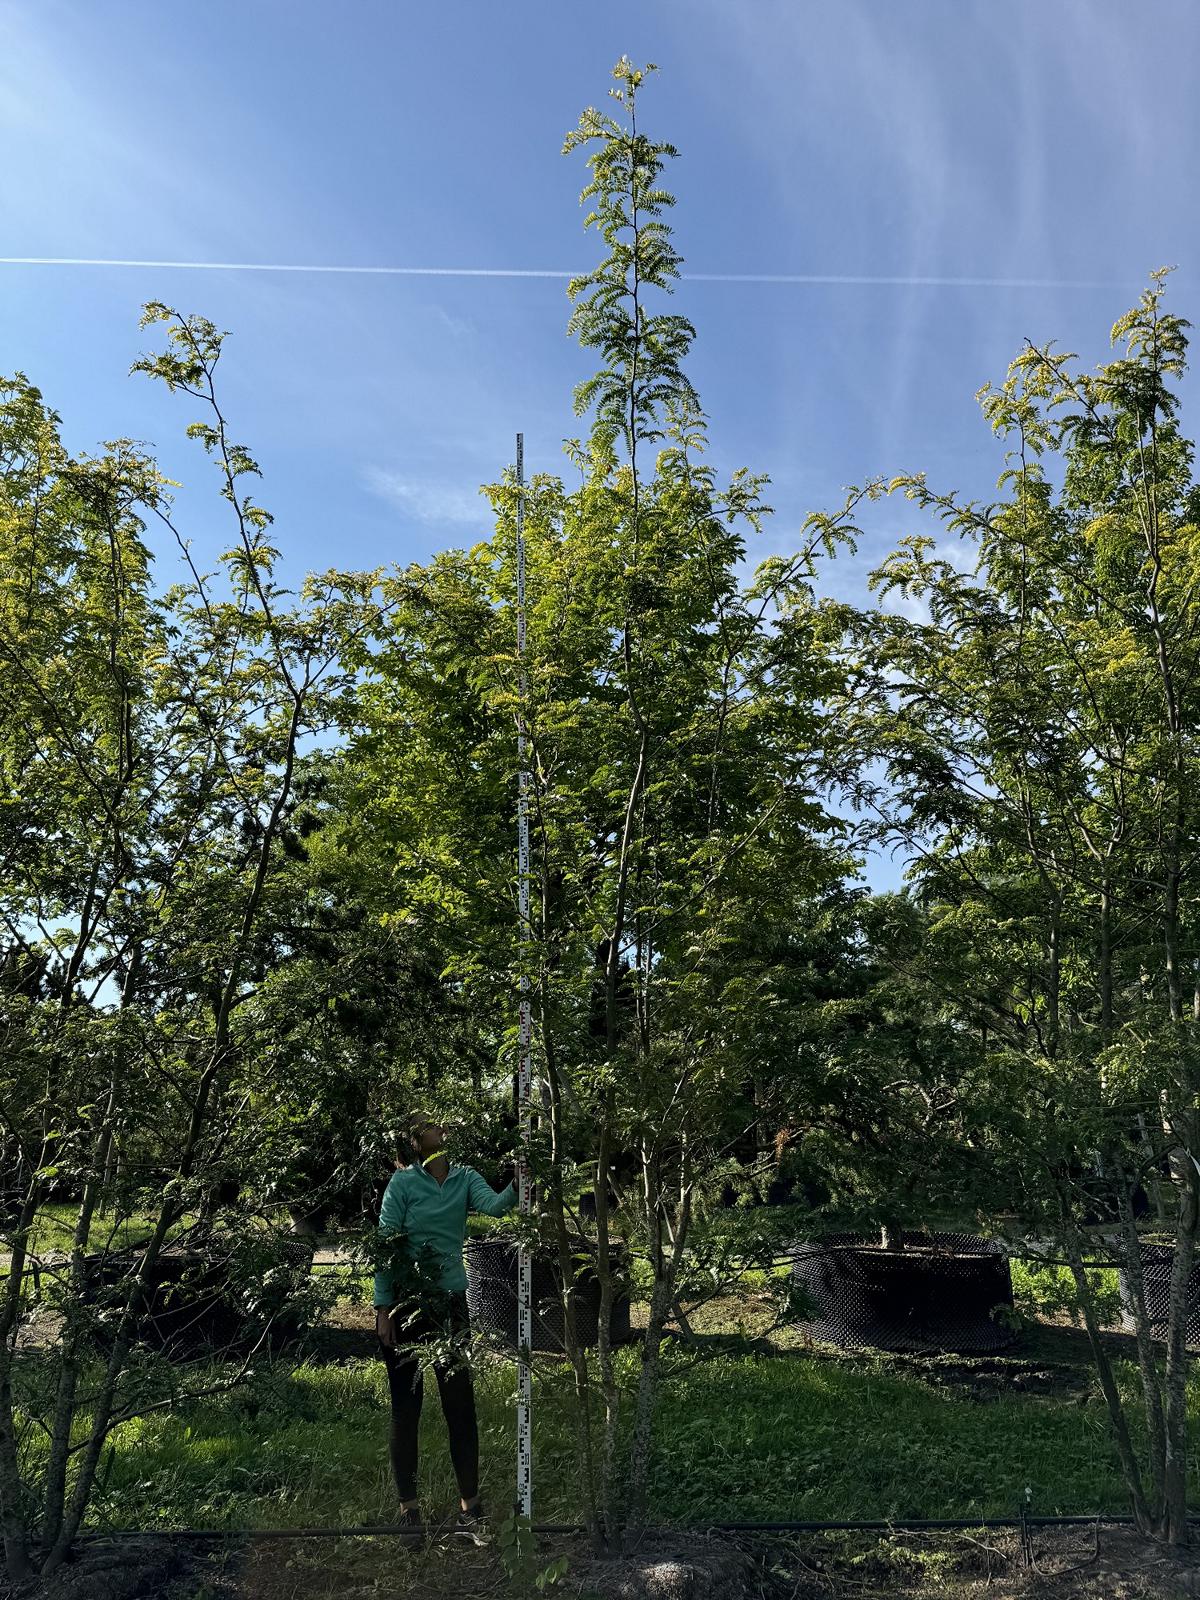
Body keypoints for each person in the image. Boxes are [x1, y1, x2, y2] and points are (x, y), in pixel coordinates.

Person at [374, 1115, 516, 1537]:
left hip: (451, 1307)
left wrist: (519, 1182)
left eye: (442, 1127)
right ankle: (409, 1510)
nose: (441, 1133)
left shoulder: (465, 1178)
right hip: (406, 1305)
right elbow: (386, 1244)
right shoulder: (402, 1185)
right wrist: (383, 1306)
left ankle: (470, 1508)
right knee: (406, 1407)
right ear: (417, 1143)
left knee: (460, 1404)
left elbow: (494, 1206)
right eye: (430, 1129)